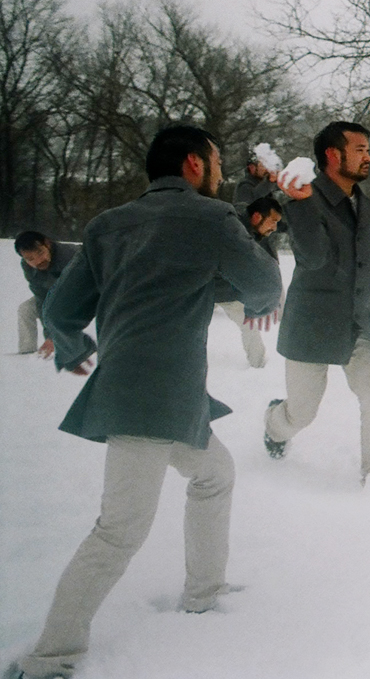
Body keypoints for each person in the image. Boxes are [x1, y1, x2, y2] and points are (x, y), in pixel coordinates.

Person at [7, 126, 281, 679]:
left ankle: (204, 592)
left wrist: (75, 349)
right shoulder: (213, 219)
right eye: (217, 161)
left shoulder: (106, 226)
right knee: (121, 529)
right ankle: (49, 658)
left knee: (216, 474)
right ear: (194, 165)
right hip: (153, 397)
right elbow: (265, 286)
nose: (223, 172)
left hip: (161, 392)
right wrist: (254, 286)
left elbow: (59, 311)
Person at [265, 121, 370, 483]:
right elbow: (313, 259)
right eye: (360, 149)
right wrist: (298, 207)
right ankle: (273, 426)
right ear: (333, 155)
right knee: (302, 413)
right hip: (313, 322)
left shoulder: (367, 204)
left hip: (360, 318)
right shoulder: (305, 198)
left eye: (367, 149)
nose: (368, 157)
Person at [209, 196, 284, 369]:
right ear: (257, 216)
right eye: (273, 221)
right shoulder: (233, 229)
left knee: (248, 324)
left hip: (223, 288)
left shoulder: (249, 227)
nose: (274, 227)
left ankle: (258, 364)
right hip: (212, 286)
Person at [14, 231, 78, 356]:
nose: (38, 261)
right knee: (26, 309)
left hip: (93, 293)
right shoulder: (29, 268)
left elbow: (67, 302)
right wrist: (49, 336)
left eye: (40, 253)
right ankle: (26, 354)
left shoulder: (70, 257)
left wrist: (53, 337)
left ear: (48, 244)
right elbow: (42, 299)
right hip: (58, 296)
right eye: (30, 258)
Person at [230, 155, 281, 223]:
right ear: (252, 168)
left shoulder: (266, 186)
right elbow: (253, 204)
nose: (267, 169)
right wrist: (269, 181)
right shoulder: (244, 186)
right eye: (263, 166)